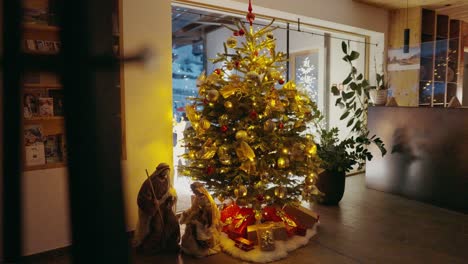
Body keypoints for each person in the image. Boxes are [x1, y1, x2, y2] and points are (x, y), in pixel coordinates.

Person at [133, 163, 180, 254]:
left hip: (165, 207)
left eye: (168, 172)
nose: (167, 174)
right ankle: (149, 247)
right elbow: (143, 197)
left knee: (173, 222)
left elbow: (170, 193)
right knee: (158, 228)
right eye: (165, 171)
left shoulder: (166, 181)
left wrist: (170, 200)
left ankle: (170, 244)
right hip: (155, 209)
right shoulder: (150, 182)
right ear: (160, 171)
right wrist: (153, 202)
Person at [180, 182, 221, 257]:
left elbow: (209, 212)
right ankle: (188, 246)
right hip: (199, 215)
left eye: (195, 190)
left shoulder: (205, 199)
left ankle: (201, 247)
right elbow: (193, 207)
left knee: (195, 226)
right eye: (193, 191)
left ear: (199, 189)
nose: (194, 192)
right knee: (190, 223)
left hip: (205, 219)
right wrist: (187, 212)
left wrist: (200, 218)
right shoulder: (198, 197)